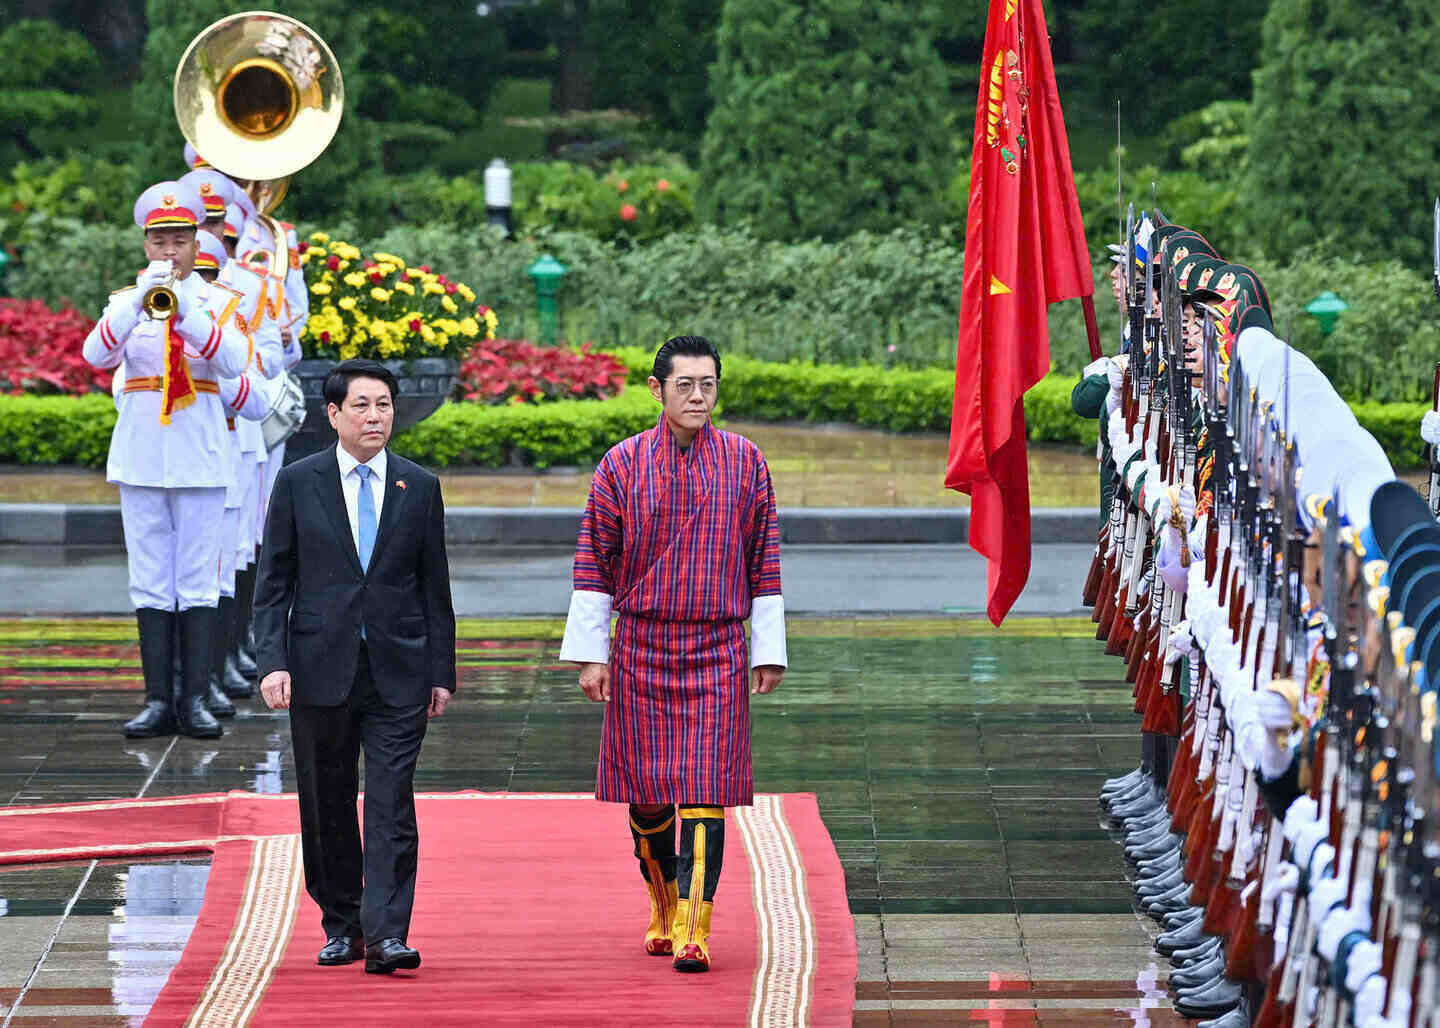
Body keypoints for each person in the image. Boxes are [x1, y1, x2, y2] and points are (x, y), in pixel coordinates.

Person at [558, 335, 788, 973]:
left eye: (708, 384)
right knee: (649, 795)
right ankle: (660, 901)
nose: (697, 396)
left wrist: (766, 650)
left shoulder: (746, 462)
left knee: (708, 788)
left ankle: (695, 923)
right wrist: (590, 655)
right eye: (684, 384)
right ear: (657, 390)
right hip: (639, 646)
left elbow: (764, 561)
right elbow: (593, 561)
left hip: (716, 645)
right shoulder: (620, 464)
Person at [252, 359, 456, 975]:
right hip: (319, 667)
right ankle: (342, 923)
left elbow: (434, 588)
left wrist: (441, 671)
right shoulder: (297, 481)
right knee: (327, 801)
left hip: (399, 669)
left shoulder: (419, 486)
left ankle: (388, 932)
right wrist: (272, 662)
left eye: (384, 405)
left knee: (392, 802)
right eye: (362, 406)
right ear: (334, 415)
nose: (375, 416)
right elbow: (273, 581)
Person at [82, 181, 254, 739]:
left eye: (179, 241)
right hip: (140, 457)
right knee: (151, 580)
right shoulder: (125, 303)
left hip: (201, 458)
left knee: (199, 581)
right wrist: (140, 304)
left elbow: (232, 363)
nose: (169, 253)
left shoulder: (216, 302)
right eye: (159, 241)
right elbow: (95, 353)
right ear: (146, 246)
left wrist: (185, 315)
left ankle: (195, 699)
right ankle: (158, 699)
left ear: (194, 244)